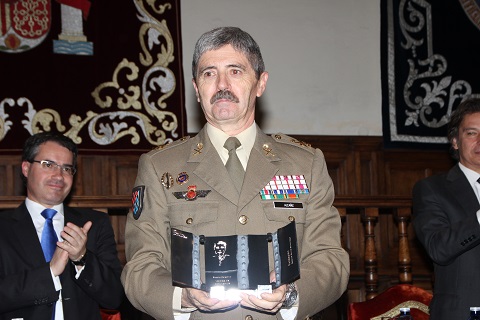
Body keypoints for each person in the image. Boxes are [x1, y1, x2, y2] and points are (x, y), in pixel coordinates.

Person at [121, 26, 350, 320]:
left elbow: (330, 258)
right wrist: (184, 297)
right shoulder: (160, 166)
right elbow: (140, 267)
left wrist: (291, 293)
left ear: (260, 83)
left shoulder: (305, 164)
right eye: (209, 73)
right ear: (196, 88)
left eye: (235, 71)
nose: (222, 84)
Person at [0, 132, 124, 319]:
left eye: (67, 168)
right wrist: (49, 273)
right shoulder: (3, 227)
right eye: (48, 165)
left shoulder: (94, 224)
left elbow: (114, 298)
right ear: (26, 168)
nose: (59, 176)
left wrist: (82, 259)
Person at [413, 97, 480, 320]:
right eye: (472, 133)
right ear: (455, 141)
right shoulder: (432, 189)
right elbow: (438, 248)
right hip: (462, 313)